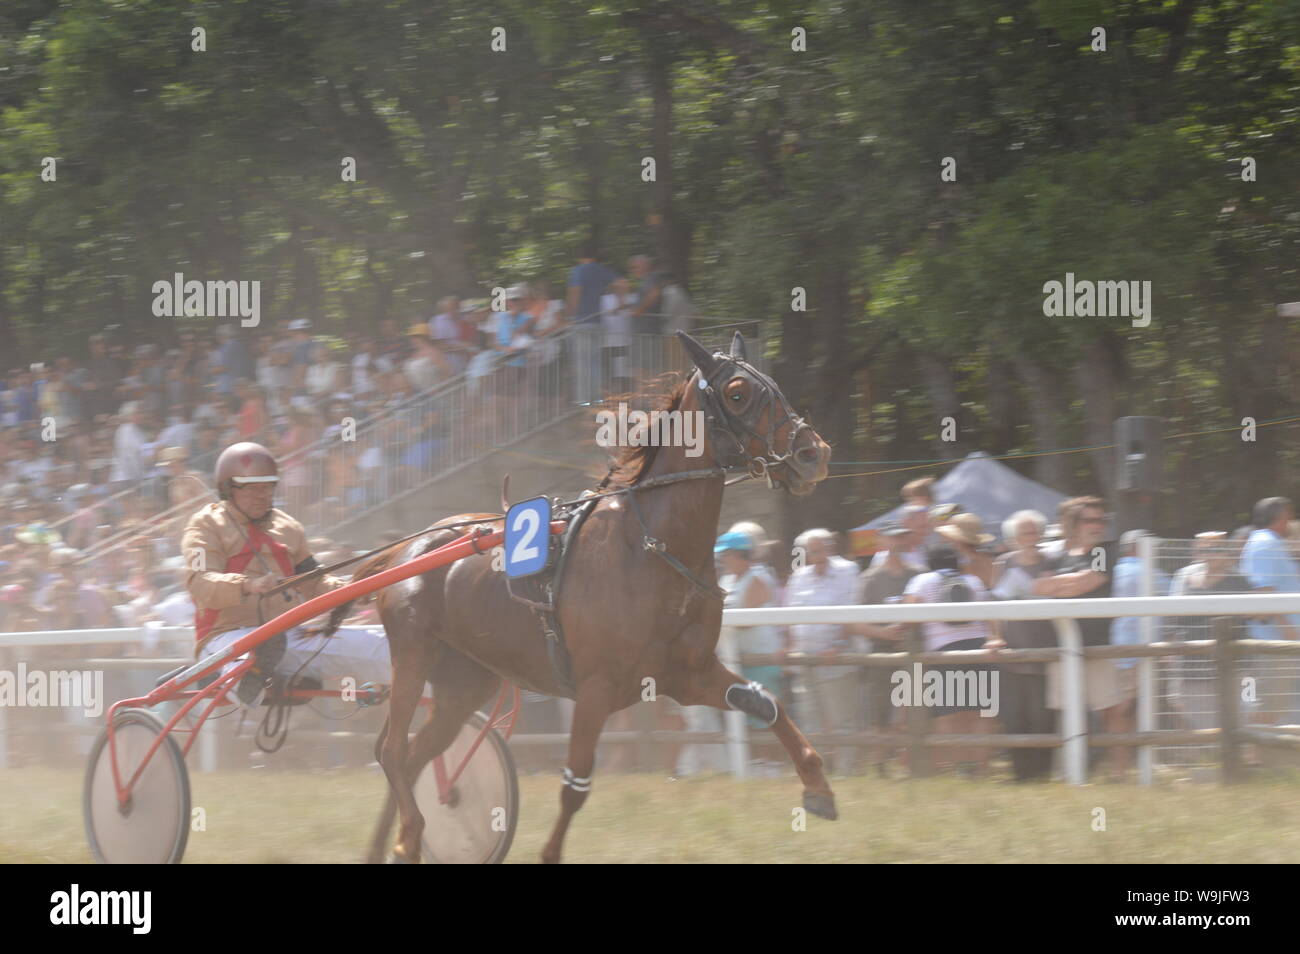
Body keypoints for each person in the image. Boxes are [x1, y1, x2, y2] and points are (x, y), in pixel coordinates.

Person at [183, 442, 393, 706]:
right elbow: (200, 581)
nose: (262, 495)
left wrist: (355, 590)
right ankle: (250, 680)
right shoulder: (205, 526)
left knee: (382, 643)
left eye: (268, 487)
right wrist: (247, 585)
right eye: (252, 489)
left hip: (286, 635)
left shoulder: (288, 527)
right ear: (228, 489)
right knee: (253, 652)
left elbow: (314, 583)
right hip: (226, 636)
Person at [1031, 495, 1124, 772]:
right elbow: (1039, 587)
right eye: (1089, 520)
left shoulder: (1104, 551)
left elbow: (1087, 582)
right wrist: (1067, 584)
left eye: (1101, 520)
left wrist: (1060, 585)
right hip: (1062, 648)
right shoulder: (1057, 555)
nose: (1097, 526)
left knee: (1111, 710)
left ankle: (1120, 773)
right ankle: (1072, 773)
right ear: (1072, 524)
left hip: (1097, 646)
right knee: (1069, 713)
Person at [904, 543, 997, 774]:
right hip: (979, 647)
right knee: (981, 712)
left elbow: (908, 615)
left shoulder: (922, 581)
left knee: (949, 713)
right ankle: (981, 767)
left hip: (944, 650)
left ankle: (960, 767)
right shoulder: (973, 581)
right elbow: (991, 614)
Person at [782, 528, 863, 775]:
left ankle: (846, 771)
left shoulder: (847, 571)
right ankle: (817, 771)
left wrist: (838, 645)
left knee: (842, 719)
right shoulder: (799, 577)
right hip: (806, 659)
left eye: (820, 548)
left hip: (835, 658)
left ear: (830, 547)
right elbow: (788, 614)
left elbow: (853, 610)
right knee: (809, 719)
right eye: (811, 549)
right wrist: (790, 646)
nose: (815, 553)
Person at [991, 509, 1056, 781]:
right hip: (1013, 650)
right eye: (1024, 533)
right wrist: (994, 637)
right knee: (1015, 717)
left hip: (1046, 649)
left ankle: (1042, 773)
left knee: (1042, 716)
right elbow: (993, 605)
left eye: (1034, 532)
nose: (1030, 537)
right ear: (1014, 537)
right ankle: (1020, 774)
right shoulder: (1002, 564)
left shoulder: (1052, 561)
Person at [855, 522, 920, 774]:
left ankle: (913, 766)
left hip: (912, 653)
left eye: (901, 537)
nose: (897, 542)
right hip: (880, 654)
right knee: (879, 715)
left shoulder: (918, 574)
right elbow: (855, 624)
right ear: (881, 541)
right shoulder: (869, 579)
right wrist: (883, 633)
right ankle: (879, 767)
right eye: (892, 538)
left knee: (912, 713)